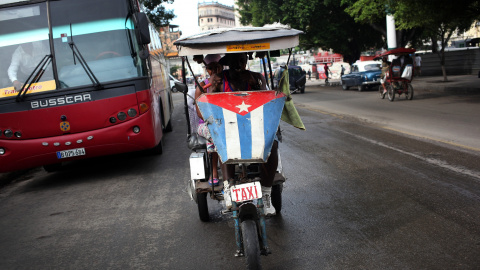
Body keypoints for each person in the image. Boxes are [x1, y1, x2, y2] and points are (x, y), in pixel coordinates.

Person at [218, 52, 277, 216]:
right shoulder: (219, 78)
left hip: (254, 125)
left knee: (273, 143)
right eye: (234, 61)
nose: (238, 64)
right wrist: (214, 85)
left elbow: (267, 99)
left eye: (242, 60)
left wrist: (258, 86)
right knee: (224, 142)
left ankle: (266, 193)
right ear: (228, 62)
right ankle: (228, 188)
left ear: (246, 61)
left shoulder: (257, 77)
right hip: (228, 125)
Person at [194, 54, 223, 186]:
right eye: (211, 68)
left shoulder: (226, 83)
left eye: (217, 67)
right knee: (215, 133)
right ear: (207, 69)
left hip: (225, 121)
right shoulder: (202, 86)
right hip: (206, 123)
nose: (215, 70)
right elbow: (200, 113)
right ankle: (214, 172)